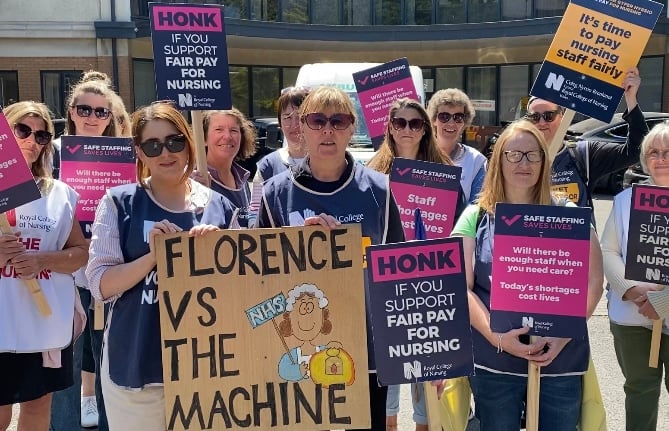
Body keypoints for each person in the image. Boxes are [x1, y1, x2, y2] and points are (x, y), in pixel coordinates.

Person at [257, 86, 405, 431]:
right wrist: (301, 246)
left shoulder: (380, 190)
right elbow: (260, 277)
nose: (327, 130)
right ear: (301, 128)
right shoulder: (274, 194)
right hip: (299, 351)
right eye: (317, 120)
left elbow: (396, 269)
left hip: (364, 347)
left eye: (338, 121)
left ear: (352, 128)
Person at [85, 102, 237, 429]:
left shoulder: (220, 207)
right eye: (153, 146)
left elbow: (249, 285)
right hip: (136, 367)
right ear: (139, 152)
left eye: (174, 141)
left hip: (210, 371)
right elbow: (100, 284)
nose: (166, 153)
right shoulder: (117, 203)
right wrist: (154, 256)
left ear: (189, 143)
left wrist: (222, 254)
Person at [451, 120, 604, 430]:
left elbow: (592, 281)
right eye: (514, 154)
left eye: (533, 155)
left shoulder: (568, 212)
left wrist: (562, 336)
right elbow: (460, 287)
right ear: (498, 160)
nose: (524, 163)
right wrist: (498, 339)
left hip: (559, 359)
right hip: (495, 360)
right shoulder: (475, 215)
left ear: (544, 161)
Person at [367, 97, 461, 431]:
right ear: (389, 128)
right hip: (386, 290)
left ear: (426, 129)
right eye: (399, 122)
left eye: (415, 123)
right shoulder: (371, 175)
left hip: (430, 290)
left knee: (428, 402)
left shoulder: (445, 175)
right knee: (385, 396)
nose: (407, 129)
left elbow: (457, 231)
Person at [0, 101, 89, 431]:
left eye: (42, 135)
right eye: (23, 130)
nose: (33, 141)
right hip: (2, 322)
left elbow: (81, 252)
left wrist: (40, 261)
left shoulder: (59, 194)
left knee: (38, 406)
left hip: (43, 321)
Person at [51, 70, 121, 431]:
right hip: (65, 271)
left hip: (109, 271)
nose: (93, 118)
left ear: (110, 117)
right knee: (66, 364)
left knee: (108, 360)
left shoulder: (123, 155)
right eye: (85, 110)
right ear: (72, 111)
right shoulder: (53, 153)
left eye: (101, 112)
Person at [600, 122, 669, 431]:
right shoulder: (626, 200)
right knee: (639, 392)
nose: (660, 159)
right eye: (653, 152)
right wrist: (630, 289)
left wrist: (663, 301)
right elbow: (608, 251)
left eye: (668, 152)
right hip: (632, 316)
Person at [525, 67, 647, 210]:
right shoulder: (517, 156)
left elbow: (635, 152)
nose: (541, 123)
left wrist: (631, 99)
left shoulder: (583, 154)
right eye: (534, 117)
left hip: (577, 231)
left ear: (562, 117)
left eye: (548, 116)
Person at [194, 108, 256, 227]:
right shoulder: (195, 179)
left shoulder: (243, 181)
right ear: (204, 138)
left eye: (233, 130)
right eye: (219, 130)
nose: (227, 137)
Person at [427, 88, 487, 203]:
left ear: (464, 122)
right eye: (444, 117)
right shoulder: (418, 153)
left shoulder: (476, 161)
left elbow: (476, 208)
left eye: (458, 117)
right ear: (434, 119)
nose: (451, 123)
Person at [255, 87, 309, 182]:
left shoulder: (330, 162)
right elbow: (256, 197)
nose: (295, 124)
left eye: (300, 117)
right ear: (280, 123)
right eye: (287, 117)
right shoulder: (267, 167)